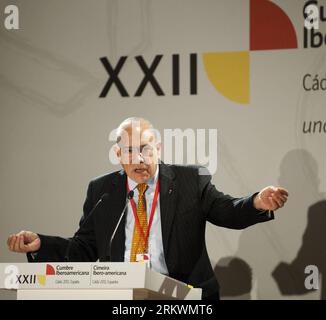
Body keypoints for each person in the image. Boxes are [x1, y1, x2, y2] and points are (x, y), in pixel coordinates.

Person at [7, 117, 288, 300]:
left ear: (159, 148)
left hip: (183, 295)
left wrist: (256, 202)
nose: (139, 158)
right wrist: (40, 245)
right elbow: (86, 247)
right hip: (124, 296)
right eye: (129, 150)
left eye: (146, 148)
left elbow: (226, 210)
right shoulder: (102, 190)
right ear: (118, 155)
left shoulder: (189, 180)